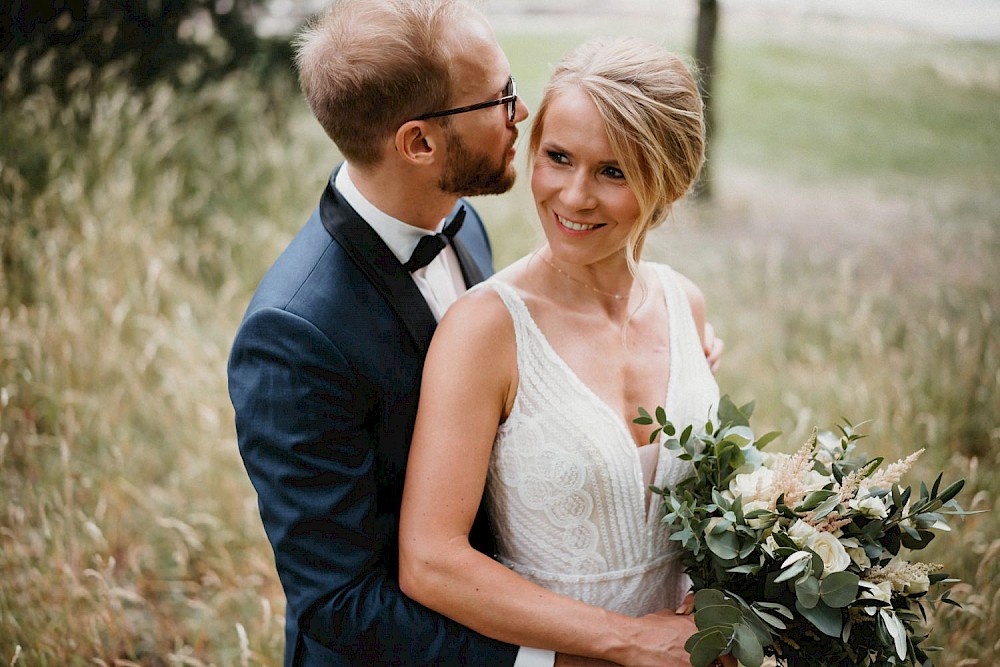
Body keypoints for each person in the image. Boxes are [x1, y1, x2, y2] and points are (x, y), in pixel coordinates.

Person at [399, 36, 734, 667]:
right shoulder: (486, 331)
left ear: (669, 182)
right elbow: (431, 561)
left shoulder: (685, 305)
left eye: (613, 172)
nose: (575, 197)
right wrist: (631, 643)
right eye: (558, 157)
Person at [228, 0, 532, 664]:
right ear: (419, 143)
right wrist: (543, 659)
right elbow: (339, 602)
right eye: (500, 98)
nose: (522, 114)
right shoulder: (293, 338)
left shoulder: (460, 220)